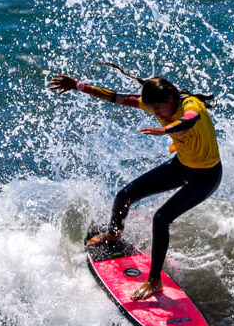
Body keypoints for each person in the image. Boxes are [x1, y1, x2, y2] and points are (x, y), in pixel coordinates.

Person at [48, 63, 222, 301]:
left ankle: (154, 281)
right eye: (154, 111)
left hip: (206, 177)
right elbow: (116, 97)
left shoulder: (191, 105)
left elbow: (190, 120)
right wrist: (79, 85)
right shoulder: (159, 104)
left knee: (161, 219)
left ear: (171, 98)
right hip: (182, 166)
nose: (158, 114)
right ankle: (113, 234)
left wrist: (167, 128)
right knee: (124, 195)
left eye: (160, 109)